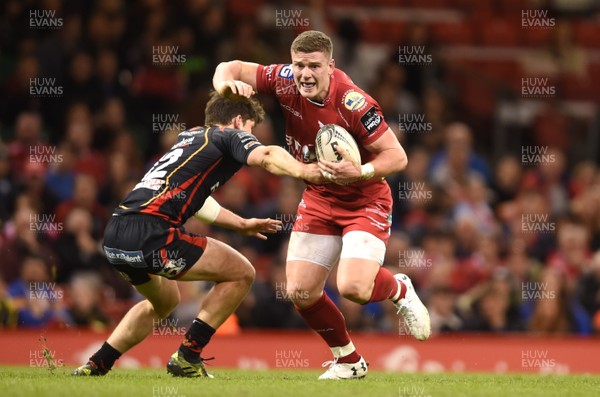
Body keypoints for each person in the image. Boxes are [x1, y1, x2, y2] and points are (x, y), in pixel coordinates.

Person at [213, 30, 431, 380]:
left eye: (314, 66)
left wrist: (360, 169)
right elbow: (231, 66)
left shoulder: (354, 102)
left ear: (331, 66)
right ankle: (348, 360)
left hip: (365, 199)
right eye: (299, 65)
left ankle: (399, 287)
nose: (305, 74)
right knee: (299, 291)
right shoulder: (284, 80)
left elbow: (398, 156)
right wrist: (226, 84)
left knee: (353, 289)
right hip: (318, 196)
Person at [72, 91, 324, 377]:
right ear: (239, 121)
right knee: (242, 273)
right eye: (252, 130)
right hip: (151, 234)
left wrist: (241, 224)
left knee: (165, 301)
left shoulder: (190, 138)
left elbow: (198, 200)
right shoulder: (229, 135)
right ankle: (188, 355)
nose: (252, 137)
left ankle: (96, 364)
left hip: (116, 235)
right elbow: (266, 155)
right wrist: (306, 171)